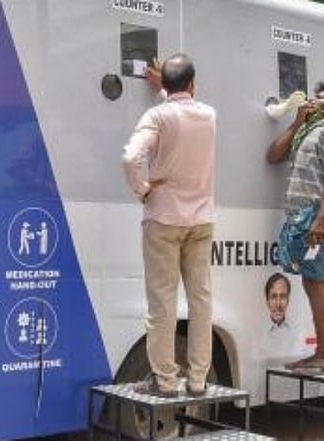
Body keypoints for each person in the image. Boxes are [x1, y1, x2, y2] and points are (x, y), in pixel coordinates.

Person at [121, 54, 216, 397]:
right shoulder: (209, 115)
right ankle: (198, 380)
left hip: (163, 219)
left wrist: (142, 190)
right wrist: (166, 89)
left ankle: (165, 381)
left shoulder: (156, 117)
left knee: (162, 302)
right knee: (201, 299)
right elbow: (184, 112)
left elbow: (131, 157)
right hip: (201, 221)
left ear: (165, 83)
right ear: (192, 84)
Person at [268, 81, 324, 374]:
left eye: (318, 99)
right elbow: (273, 156)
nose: (310, 101)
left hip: (316, 217)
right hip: (299, 217)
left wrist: (322, 218)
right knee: (309, 281)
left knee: (316, 283)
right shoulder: (306, 130)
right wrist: (297, 121)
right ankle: (322, 353)